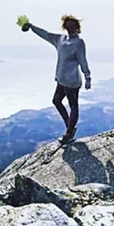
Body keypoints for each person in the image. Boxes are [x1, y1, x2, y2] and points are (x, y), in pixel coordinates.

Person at [19, 14, 91, 144]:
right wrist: (31, 26)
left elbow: (82, 61)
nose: (70, 28)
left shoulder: (79, 42)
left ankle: (69, 134)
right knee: (56, 101)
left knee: (73, 106)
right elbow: (45, 34)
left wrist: (88, 77)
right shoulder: (60, 39)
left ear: (77, 27)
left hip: (72, 82)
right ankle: (70, 126)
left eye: (72, 26)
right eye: (68, 26)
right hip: (62, 80)